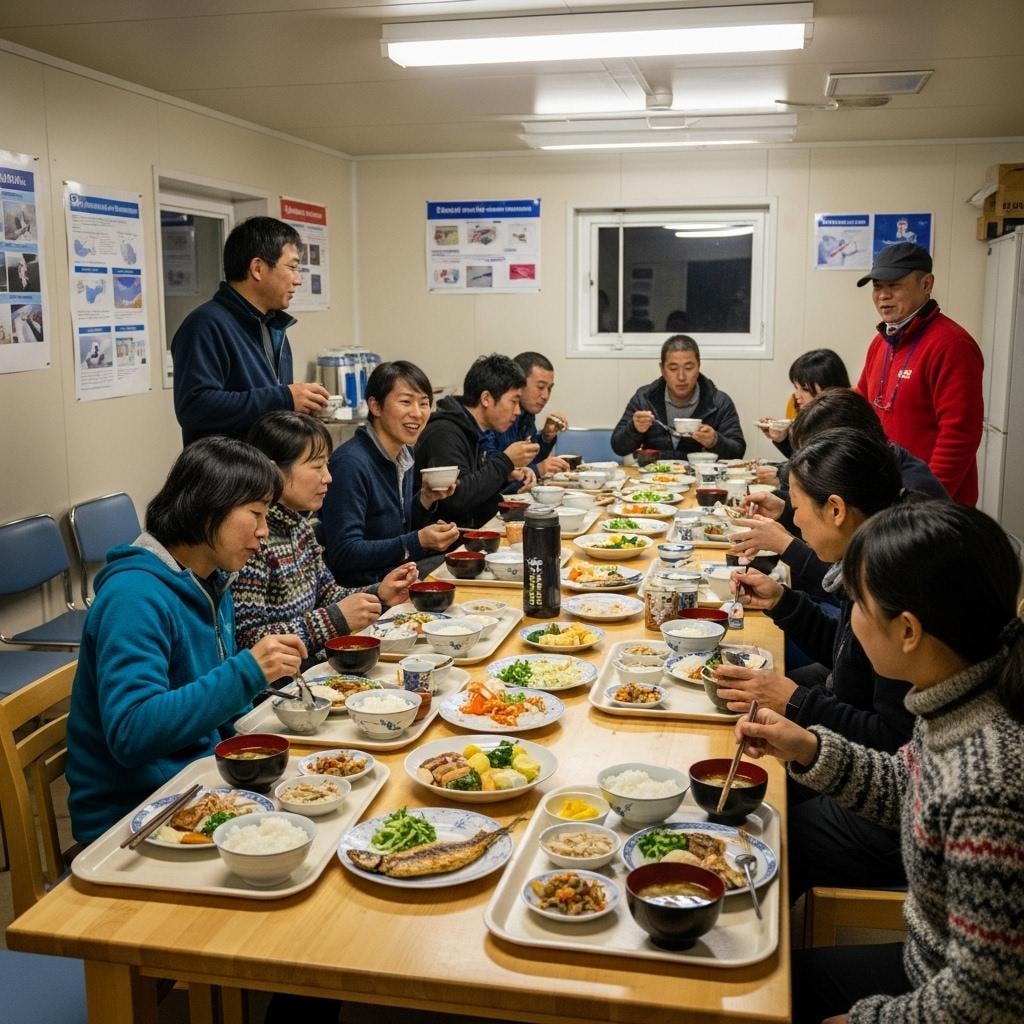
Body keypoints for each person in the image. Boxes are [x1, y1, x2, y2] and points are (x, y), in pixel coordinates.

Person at [737, 501, 1024, 1024]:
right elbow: (911, 791)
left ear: (908, 631)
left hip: (943, 991)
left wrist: (867, 1019)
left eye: (859, 606)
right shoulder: (956, 696)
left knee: (753, 1002)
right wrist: (809, 748)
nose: (850, 621)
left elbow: (986, 1001)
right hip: (931, 965)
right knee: (757, 981)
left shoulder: (990, 784)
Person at [66, 438, 307, 844]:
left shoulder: (212, 581)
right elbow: (131, 733)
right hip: (133, 817)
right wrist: (247, 672)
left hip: (200, 785)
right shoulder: (133, 597)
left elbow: (218, 710)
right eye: (255, 513)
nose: (264, 531)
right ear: (208, 506)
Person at [712, 429, 915, 900]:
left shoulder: (891, 579)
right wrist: (783, 602)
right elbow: (847, 661)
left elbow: (892, 740)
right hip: (881, 770)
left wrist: (797, 702)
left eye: (798, 506)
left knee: (763, 834)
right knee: (741, 781)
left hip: (898, 814)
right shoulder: (869, 553)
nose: (794, 520)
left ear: (836, 509)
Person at [235, 412, 417, 668]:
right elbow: (249, 641)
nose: (328, 477)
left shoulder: (301, 527)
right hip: (283, 683)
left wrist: (379, 593)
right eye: (317, 466)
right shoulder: (253, 540)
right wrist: (334, 620)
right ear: (274, 471)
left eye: (327, 465)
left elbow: (327, 593)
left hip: (315, 667)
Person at [731, 388, 948, 597]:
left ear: (846, 447)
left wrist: (786, 545)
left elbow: (839, 590)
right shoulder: (876, 472)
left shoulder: (907, 502)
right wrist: (786, 510)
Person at [172, 216, 329, 445]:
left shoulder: (273, 325)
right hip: (227, 466)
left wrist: (299, 409)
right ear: (257, 268)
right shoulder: (205, 324)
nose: (298, 280)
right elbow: (195, 407)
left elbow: (268, 407)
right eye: (292, 267)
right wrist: (285, 398)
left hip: (267, 463)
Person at [854, 242, 983, 505]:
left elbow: (959, 436)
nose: (883, 296)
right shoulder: (881, 342)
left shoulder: (952, 344)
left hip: (930, 506)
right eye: (877, 286)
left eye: (894, 285)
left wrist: (926, 501)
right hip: (890, 493)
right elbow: (859, 404)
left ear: (926, 284)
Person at [322, 361, 460, 587]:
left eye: (424, 403)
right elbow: (344, 553)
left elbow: (396, 528)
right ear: (375, 406)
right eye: (406, 402)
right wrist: (417, 541)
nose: (417, 413)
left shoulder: (403, 454)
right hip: (365, 592)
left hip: (398, 578)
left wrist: (425, 500)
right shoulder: (350, 464)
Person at [414, 354, 538, 528]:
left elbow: (476, 489)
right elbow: (454, 500)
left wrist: (506, 476)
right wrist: (505, 462)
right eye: (514, 401)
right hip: (445, 539)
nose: (518, 411)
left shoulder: (477, 430)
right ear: (486, 398)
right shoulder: (444, 432)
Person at [611, 335, 745, 459]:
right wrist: (634, 428)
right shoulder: (644, 398)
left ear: (699, 366)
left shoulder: (719, 402)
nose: (681, 377)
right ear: (662, 369)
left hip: (700, 474)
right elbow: (618, 447)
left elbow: (738, 451)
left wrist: (715, 441)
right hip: (653, 474)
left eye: (689, 368)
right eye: (673, 369)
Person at [482, 352, 571, 482]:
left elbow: (530, 462)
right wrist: (538, 470)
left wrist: (545, 438)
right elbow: (491, 474)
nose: (546, 396)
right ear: (519, 382)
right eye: (540, 387)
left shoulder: (527, 413)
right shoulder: (496, 414)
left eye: (549, 388)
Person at [758, 348, 850, 457]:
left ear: (830, 387)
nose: (797, 395)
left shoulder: (844, 423)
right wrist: (782, 438)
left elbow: (815, 465)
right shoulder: (808, 414)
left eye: (805, 389)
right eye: (796, 387)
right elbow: (803, 460)